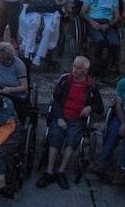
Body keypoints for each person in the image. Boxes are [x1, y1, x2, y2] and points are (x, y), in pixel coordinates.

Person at [38, 56, 103, 190]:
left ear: (85, 71)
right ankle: (49, 171)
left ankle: (61, 171)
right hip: (61, 116)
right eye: (73, 66)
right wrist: (60, 118)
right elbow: (55, 100)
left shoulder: (91, 86)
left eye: (78, 68)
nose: (74, 70)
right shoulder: (65, 80)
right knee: (56, 135)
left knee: (73, 139)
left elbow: (100, 107)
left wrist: (90, 107)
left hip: (77, 119)